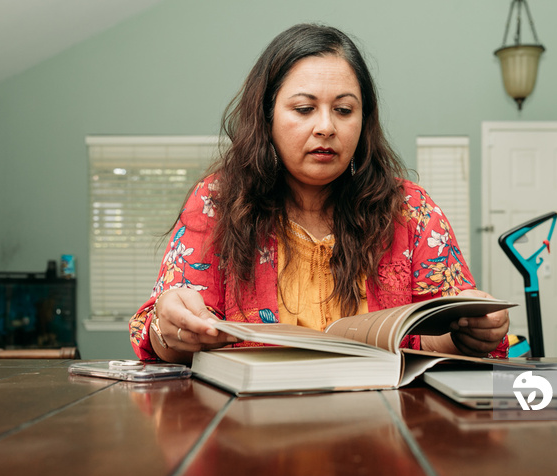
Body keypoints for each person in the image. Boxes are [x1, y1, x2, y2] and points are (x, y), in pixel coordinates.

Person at [129, 23, 509, 364]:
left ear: (364, 121)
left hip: (386, 427)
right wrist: (171, 326)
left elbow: (444, 340)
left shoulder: (411, 211)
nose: (326, 127)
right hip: (249, 432)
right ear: (267, 117)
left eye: (344, 110)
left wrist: (477, 331)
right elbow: (161, 339)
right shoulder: (217, 202)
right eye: (304, 108)